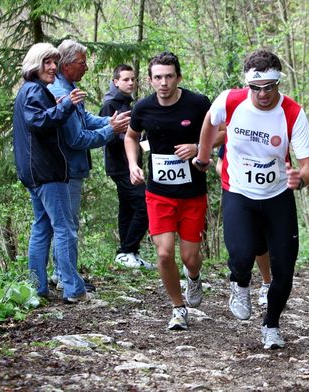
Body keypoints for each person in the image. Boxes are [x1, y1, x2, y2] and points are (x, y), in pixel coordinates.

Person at [194, 48, 309, 349]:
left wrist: (299, 179)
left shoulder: (293, 113)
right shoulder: (231, 100)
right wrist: (203, 155)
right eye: (256, 88)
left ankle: (271, 325)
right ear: (247, 84)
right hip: (238, 191)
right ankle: (240, 282)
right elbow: (210, 121)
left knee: (284, 268)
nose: (263, 94)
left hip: (277, 196)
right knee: (242, 254)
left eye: (270, 87)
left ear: (279, 83)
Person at [124, 51, 221, 331]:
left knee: (190, 258)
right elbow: (131, 137)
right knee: (165, 253)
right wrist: (133, 164)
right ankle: (179, 309)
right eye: (158, 77)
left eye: (169, 76)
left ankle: (193, 276)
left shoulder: (197, 103)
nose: (163, 82)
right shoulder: (143, 108)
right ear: (150, 80)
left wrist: (198, 148)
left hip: (192, 193)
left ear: (178, 77)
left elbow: (223, 131)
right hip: (159, 193)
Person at [48, 40, 131, 297]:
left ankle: (61, 273)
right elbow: (76, 139)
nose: (86, 68)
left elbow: (85, 119)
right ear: (67, 64)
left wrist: (109, 120)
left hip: (69, 169)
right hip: (67, 169)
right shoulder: (61, 92)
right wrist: (111, 130)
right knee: (66, 226)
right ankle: (67, 279)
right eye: (82, 63)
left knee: (62, 224)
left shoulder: (70, 87)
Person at [12, 42, 88, 302]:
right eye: (47, 62)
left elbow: (39, 119)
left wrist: (57, 104)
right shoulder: (34, 91)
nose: (53, 67)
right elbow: (39, 123)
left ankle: (37, 287)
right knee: (64, 228)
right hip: (46, 173)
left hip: (35, 173)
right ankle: (72, 289)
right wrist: (66, 105)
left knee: (42, 227)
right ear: (35, 63)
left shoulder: (32, 91)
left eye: (54, 62)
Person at [99, 64, 151, 269]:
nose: (130, 83)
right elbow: (106, 136)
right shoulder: (110, 105)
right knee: (144, 205)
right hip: (120, 165)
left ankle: (130, 253)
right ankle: (126, 250)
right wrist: (128, 138)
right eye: (126, 79)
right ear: (115, 82)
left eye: (133, 79)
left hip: (133, 164)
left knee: (128, 208)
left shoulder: (129, 104)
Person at [216, 145, 272, 307]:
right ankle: (258, 284)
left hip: (269, 193)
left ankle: (269, 283)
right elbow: (220, 164)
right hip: (239, 194)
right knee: (249, 242)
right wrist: (234, 180)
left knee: (263, 241)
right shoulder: (236, 130)